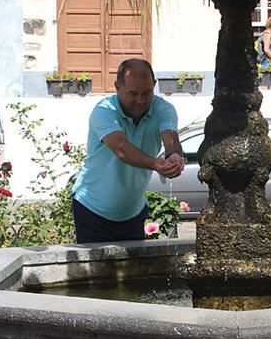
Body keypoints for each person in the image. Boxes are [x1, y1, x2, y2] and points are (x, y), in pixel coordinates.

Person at [71, 58, 185, 244]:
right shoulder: (103, 111)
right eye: (133, 93)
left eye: (146, 93)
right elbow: (122, 148)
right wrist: (155, 164)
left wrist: (174, 156)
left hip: (133, 213)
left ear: (154, 85)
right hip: (92, 210)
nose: (140, 100)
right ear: (117, 86)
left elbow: (170, 138)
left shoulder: (163, 109)